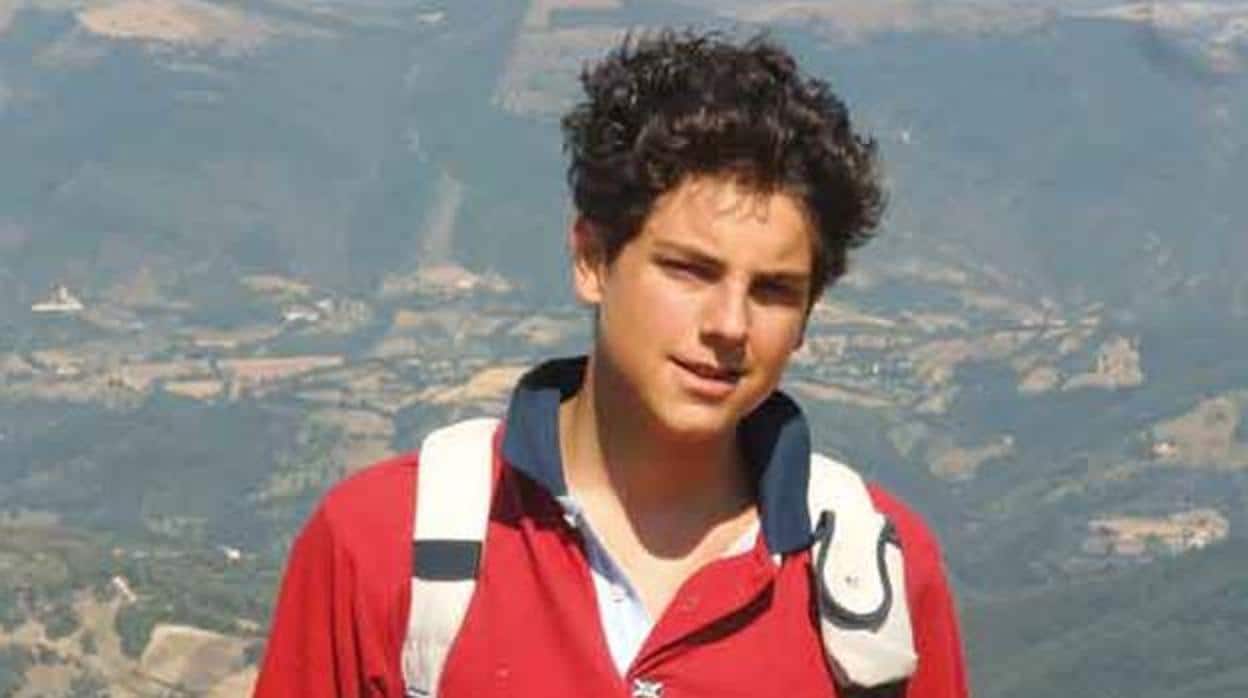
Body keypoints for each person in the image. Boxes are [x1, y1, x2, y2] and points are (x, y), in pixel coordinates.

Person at [254, 30, 968, 698]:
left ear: (808, 315)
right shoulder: (381, 546)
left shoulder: (876, 585)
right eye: (689, 271)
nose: (729, 325)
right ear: (593, 260)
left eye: (774, 290)